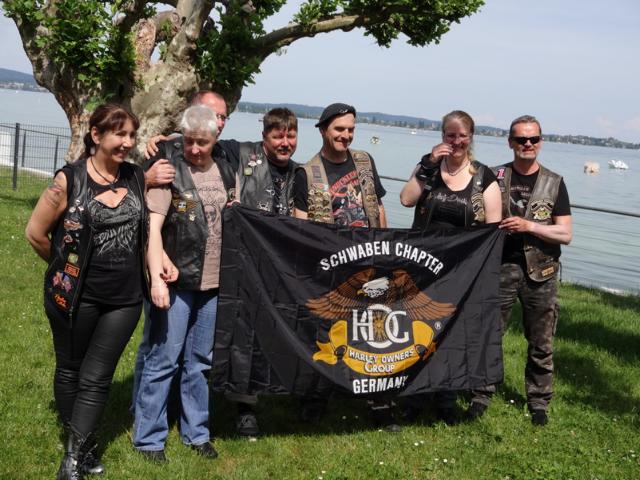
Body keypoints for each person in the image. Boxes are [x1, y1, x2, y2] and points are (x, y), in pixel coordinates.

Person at [25, 104, 146, 479]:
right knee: (70, 370)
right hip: (74, 298)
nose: (127, 142)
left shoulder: (136, 177)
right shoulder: (69, 180)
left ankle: (74, 459)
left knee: (96, 377)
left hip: (125, 298)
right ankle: (85, 447)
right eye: (119, 134)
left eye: (132, 135)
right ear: (96, 135)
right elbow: (35, 233)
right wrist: (65, 268)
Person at [132, 105, 236, 461]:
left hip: (214, 284)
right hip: (176, 281)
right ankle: (149, 438)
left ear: (215, 139)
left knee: (200, 362)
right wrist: (157, 279)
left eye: (202, 142)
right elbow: (153, 228)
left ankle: (197, 433)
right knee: (163, 360)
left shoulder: (226, 168)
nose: (194, 148)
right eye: (189, 141)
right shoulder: (168, 169)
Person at [293, 102, 393, 429]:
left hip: (369, 262)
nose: (345, 135)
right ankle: (316, 397)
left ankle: (379, 400)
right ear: (323, 130)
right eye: (339, 129)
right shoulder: (306, 173)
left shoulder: (365, 161)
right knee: (325, 334)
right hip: (331, 267)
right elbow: (300, 225)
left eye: (350, 129)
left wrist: (384, 251)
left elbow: (378, 207)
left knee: (375, 333)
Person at [467, 115, 572, 426]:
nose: (528, 144)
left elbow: (565, 233)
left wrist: (530, 226)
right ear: (510, 142)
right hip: (499, 267)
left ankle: (539, 402)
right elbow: (473, 216)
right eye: (521, 139)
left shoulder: (555, 182)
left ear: (541, 142)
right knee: (489, 334)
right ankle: (480, 395)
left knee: (541, 341)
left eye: (533, 139)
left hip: (542, 272)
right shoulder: (493, 176)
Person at [399, 110, 502, 424]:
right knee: (418, 330)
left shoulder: (484, 178)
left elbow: (493, 231)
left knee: (453, 334)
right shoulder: (427, 168)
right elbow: (406, 199)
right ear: (442, 136)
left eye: (462, 136)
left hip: (462, 270)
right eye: (450, 135)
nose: (456, 142)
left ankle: (446, 398)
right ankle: (414, 396)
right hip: (423, 265)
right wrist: (428, 165)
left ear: (471, 137)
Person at [227, 107, 299, 438]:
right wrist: (162, 139)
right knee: (246, 336)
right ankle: (245, 407)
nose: (285, 143)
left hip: (282, 268)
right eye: (278, 136)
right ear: (264, 137)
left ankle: (288, 393)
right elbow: (201, 141)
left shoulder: (300, 172)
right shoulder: (242, 154)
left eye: (291, 136)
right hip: (246, 264)